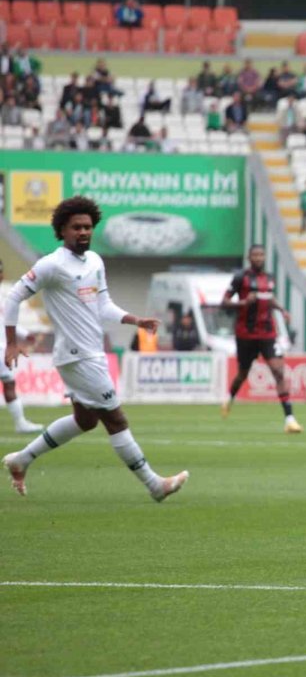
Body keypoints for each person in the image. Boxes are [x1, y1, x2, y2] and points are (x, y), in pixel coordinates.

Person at [2, 196, 189, 500]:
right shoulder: (51, 264)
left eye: (88, 227)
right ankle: (155, 485)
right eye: (77, 227)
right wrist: (12, 342)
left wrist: (135, 320)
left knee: (86, 420)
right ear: (62, 230)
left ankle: (21, 459)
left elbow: (104, 306)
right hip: (78, 356)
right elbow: (13, 298)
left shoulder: (95, 262)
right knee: (116, 419)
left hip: (90, 354)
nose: (84, 232)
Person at [220, 244, 302, 433]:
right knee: (242, 374)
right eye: (255, 255)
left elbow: (269, 298)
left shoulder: (269, 278)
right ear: (249, 258)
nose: (258, 258)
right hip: (246, 335)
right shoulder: (241, 278)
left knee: (278, 371)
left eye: (261, 255)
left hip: (267, 334)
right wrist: (243, 302)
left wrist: (281, 309)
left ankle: (290, 419)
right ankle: (229, 398)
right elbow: (224, 302)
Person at [0, 260, 43, 434]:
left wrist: (24, 334)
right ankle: (20, 423)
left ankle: (20, 422)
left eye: (1, 271)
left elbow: (4, 322)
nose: (1, 275)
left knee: (9, 383)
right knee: (9, 383)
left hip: (2, 346)